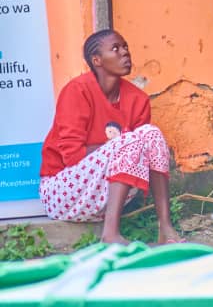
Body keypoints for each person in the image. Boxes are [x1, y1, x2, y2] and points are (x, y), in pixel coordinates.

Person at [39, 30, 182, 245]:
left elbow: (144, 155)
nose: (125, 52)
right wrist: (118, 147)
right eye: (115, 49)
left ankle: (165, 227)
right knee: (131, 140)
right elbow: (71, 155)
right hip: (63, 192)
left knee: (151, 134)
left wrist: (120, 148)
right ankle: (110, 234)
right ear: (97, 60)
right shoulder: (77, 90)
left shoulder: (138, 99)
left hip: (106, 197)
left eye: (125, 47)